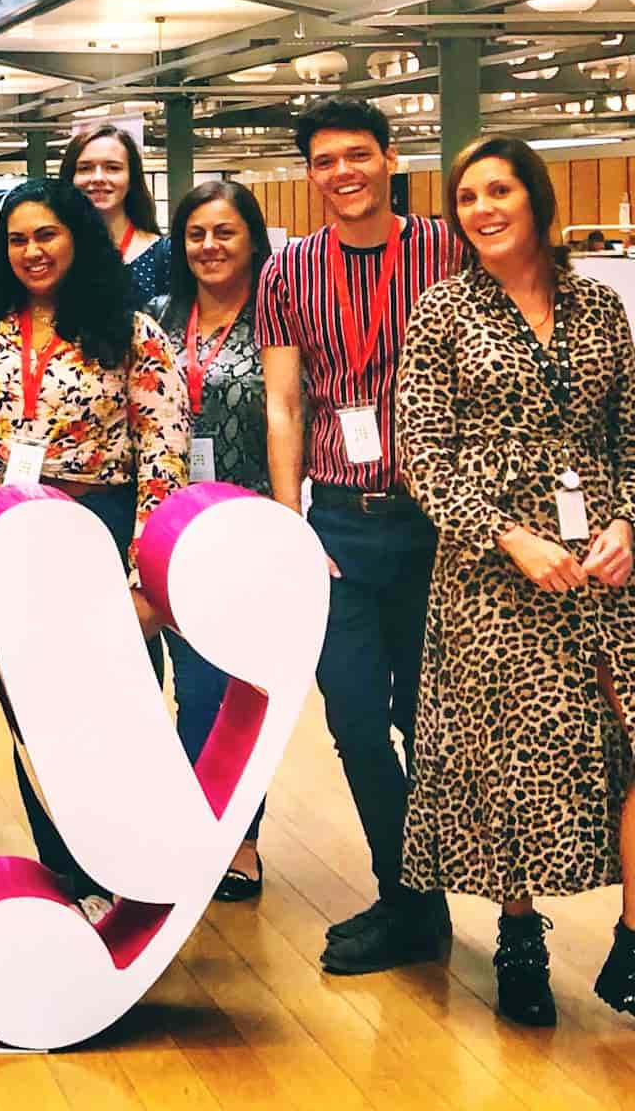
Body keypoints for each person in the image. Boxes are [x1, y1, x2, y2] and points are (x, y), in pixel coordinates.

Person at [395, 136, 635, 1028]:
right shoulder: (443, 312)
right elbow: (423, 453)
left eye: (499, 189)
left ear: (535, 198)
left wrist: (627, 524)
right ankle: (520, 936)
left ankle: (632, 944)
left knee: (629, 737)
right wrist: (508, 537)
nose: (483, 208)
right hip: (493, 577)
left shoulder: (600, 307)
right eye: (466, 197)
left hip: (606, 567)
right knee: (510, 759)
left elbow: (631, 432)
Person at [0, 178, 189, 921]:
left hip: (93, 528)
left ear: (78, 240)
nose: (32, 252)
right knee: (27, 710)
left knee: (108, 705)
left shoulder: (132, 330)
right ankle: (66, 874)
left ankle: (129, 865)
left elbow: (162, 456)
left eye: (47, 236)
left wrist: (147, 580)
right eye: (17, 239)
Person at [255, 97, 462, 975]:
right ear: (311, 174)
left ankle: (421, 899)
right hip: (339, 517)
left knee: (429, 715)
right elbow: (283, 401)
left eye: (358, 155)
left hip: (438, 524)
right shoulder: (287, 272)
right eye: (325, 161)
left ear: (389, 157)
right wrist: (291, 520)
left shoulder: (451, 249)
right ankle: (409, 893)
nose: (343, 172)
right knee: (351, 714)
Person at [149, 181, 273, 902]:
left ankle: (240, 837)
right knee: (186, 685)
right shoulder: (158, 319)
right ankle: (186, 827)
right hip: (169, 524)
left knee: (234, 690)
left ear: (253, 240)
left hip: (249, 526)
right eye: (196, 233)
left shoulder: (278, 319)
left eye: (224, 232)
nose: (209, 247)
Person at [60, 125, 168, 307]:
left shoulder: (164, 255)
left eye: (113, 168)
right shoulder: (54, 252)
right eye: (85, 168)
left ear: (131, 177)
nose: (98, 178)